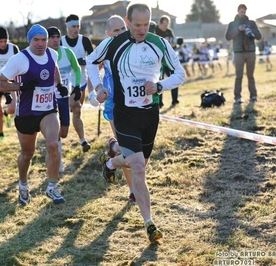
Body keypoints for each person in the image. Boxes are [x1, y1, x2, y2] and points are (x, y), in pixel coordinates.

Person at [86, 3, 185, 242]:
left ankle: (111, 164)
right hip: (124, 114)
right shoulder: (113, 44)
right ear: (128, 23)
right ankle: (150, 223)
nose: (142, 30)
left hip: (150, 114)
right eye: (137, 25)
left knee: (138, 163)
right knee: (138, 167)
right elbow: (90, 61)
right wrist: (98, 87)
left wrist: (160, 85)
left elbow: (180, 74)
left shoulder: (159, 43)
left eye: (145, 24)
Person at [0, 24, 68, 205]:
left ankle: (52, 187)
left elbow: (54, 68)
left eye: (44, 40)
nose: (41, 43)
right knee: (27, 154)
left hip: (49, 109)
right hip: (27, 113)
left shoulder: (53, 54)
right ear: (30, 41)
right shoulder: (19, 59)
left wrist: (58, 85)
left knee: (53, 144)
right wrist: (21, 86)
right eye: (36, 40)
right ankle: (23, 185)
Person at [98, 15, 135, 204]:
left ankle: (113, 147)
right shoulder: (105, 48)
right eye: (116, 30)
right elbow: (91, 66)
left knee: (139, 148)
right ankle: (133, 191)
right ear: (108, 34)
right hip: (114, 104)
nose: (120, 33)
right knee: (129, 149)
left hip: (134, 103)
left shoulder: (135, 44)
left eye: (123, 29)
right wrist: (96, 90)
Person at [46, 26, 82, 172]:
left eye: (57, 37)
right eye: (52, 37)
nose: (55, 40)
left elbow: (77, 69)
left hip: (64, 97)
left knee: (64, 132)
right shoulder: (44, 55)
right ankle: (57, 160)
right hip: (50, 99)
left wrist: (77, 86)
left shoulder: (67, 52)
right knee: (55, 131)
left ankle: (53, 146)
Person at [61, 14, 93, 152]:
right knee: (76, 107)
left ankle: (80, 137)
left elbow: (94, 60)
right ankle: (83, 141)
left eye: (78, 26)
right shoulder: (60, 42)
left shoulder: (85, 40)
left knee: (77, 111)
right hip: (66, 82)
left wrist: (84, 62)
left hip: (81, 81)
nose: (76, 29)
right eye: (73, 26)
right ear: (68, 28)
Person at [225, 4, 262, 104]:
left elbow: (259, 36)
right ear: (238, 11)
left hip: (250, 51)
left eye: (244, 11)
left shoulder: (251, 23)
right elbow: (228, 37)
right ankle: (237, 97)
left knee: (251, 75)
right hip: (238, 52)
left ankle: (253, 95)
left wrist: (250, 29)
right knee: (239, 76)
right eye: (241, 11)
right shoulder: (232, 24)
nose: (243, 13)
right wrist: (238, 29)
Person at [155, 15, 179, 106]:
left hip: (168, 59)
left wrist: (172, 45)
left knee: (174, 78)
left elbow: (174, 46)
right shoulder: (154, 31)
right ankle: (159, 102)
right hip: (158, 61)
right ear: (160, 24)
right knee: (159, 81)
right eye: (164, 25)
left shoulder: (169, 32)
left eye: (167, 25)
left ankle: (175, 100)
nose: (166, 27)